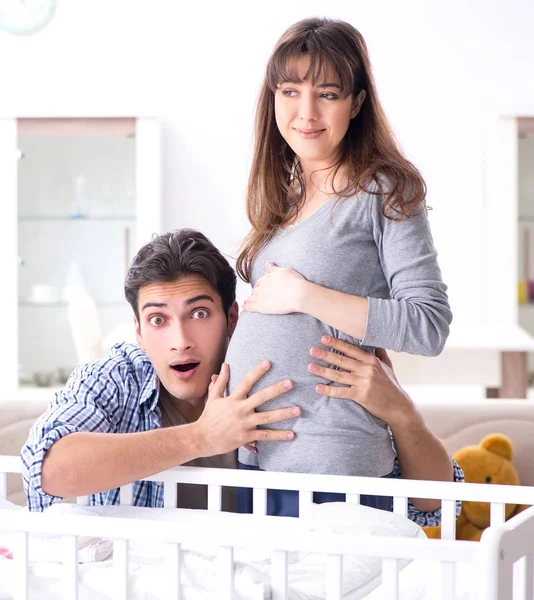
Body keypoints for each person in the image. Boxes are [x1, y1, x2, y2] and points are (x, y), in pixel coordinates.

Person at [22, 228, 462, 523]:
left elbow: (436, 508)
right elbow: (47, 469)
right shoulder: (119, 377)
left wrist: (403, 416)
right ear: (138, 330)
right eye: (158, 320)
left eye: (198, 313)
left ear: (232, 317)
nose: (181, 340)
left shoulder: (278, 373)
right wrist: (203, 437)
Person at [225, 17, 453, 514]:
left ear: (357, 103)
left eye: (327, 93)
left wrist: (304, 296)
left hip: (331, 462)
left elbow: (429, 325)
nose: (305, 112)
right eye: (290, 91)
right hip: (260, 457)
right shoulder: (286, 197)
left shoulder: (383, 191)